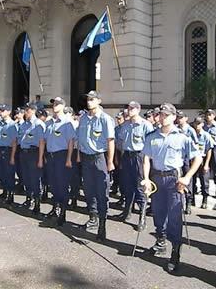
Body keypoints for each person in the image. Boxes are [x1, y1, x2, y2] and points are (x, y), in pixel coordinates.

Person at [141, 103, 202, 273]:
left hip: (174, 181)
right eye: (161, 114)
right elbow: (146, 159)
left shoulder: (182, 137)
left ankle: (175, 251)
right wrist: (146, 179)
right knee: (158, 213)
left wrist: (187, 177)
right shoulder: (152, 136)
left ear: (174, 117)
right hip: (157, 179)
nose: (163, 117)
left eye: (166, 115)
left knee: (174, 217)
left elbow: (197, 158)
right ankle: (160, 242)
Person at [77, 90, 115, 242]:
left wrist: (110, 161)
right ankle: (93, 217)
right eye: (88, 99)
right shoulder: (84, 118)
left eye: (92, 99)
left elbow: (110, 141)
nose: (89, 102)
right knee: (88, 189)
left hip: (99, 158)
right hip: (86, 158)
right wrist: (79, 155)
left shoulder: (105, 119)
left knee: (101, 191)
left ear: (99, 101)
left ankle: (102, 224)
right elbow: (80, 139)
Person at [115, 101, 154, 231]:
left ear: (138, 109)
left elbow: (151, 143)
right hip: (126, 156)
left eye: (132, 108)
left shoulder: (145, 125)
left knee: (140, 187)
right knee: (127, 185)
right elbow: (120, 141)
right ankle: (127, 212)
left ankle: (142, 217)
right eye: (128, 108)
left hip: (139, 157)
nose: (129, 110)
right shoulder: (125, 125)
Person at [44, 97, 75, 226]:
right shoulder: (49, 122)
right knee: (53, 183)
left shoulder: (67, 122)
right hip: (51, 156)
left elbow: (71, 142)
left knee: (62, 184)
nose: (54, 106)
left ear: (63, 106)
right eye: (53, 104)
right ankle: (55, 207)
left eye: (57, 104)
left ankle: (63, 211)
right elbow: (45, 140)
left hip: (61, 156)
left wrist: (68, 159)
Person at [19, 103, 46, 213]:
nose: (25, 112)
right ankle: (28, 198)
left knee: (35, 178)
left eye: (27, 110)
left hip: (33, 153)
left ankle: (37, 202)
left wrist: (40, 159)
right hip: (24, 152)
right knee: (26, 177)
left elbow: (41, 142)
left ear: (33, 111)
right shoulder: (24, 125)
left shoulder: (38, 124)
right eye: (25, 110)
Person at [0, 104, 18, 204]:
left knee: (9, 173)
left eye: (3, 110)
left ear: (8, 112)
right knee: (1, 172)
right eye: (0, 110)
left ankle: (10, 194)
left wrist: (12, 156)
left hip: (7, 150)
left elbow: (14, 142)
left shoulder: (12, 125)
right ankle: (4, 191)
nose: (0, 112)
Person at [176, 110, 198, 214]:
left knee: (188, 181)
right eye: (178, 117)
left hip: (187, 158)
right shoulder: (175, 129)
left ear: (186, 118)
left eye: (181, 117)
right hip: (178, 158)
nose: (179, 119)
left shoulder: (190, 130)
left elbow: (196, 146)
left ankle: (188, 202)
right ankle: (179, 202)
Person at [192, 116, 214, 209]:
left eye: (199, 123)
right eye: (196, 123)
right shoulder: (191, 134)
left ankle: (204, 200)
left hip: (203, 159)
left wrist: (206, 164)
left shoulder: (206, 135)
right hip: (192, 160)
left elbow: (209, 150)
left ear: (202, 124)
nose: (197, 125)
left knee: (204, 182)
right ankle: (191, 199)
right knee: (192, 181)